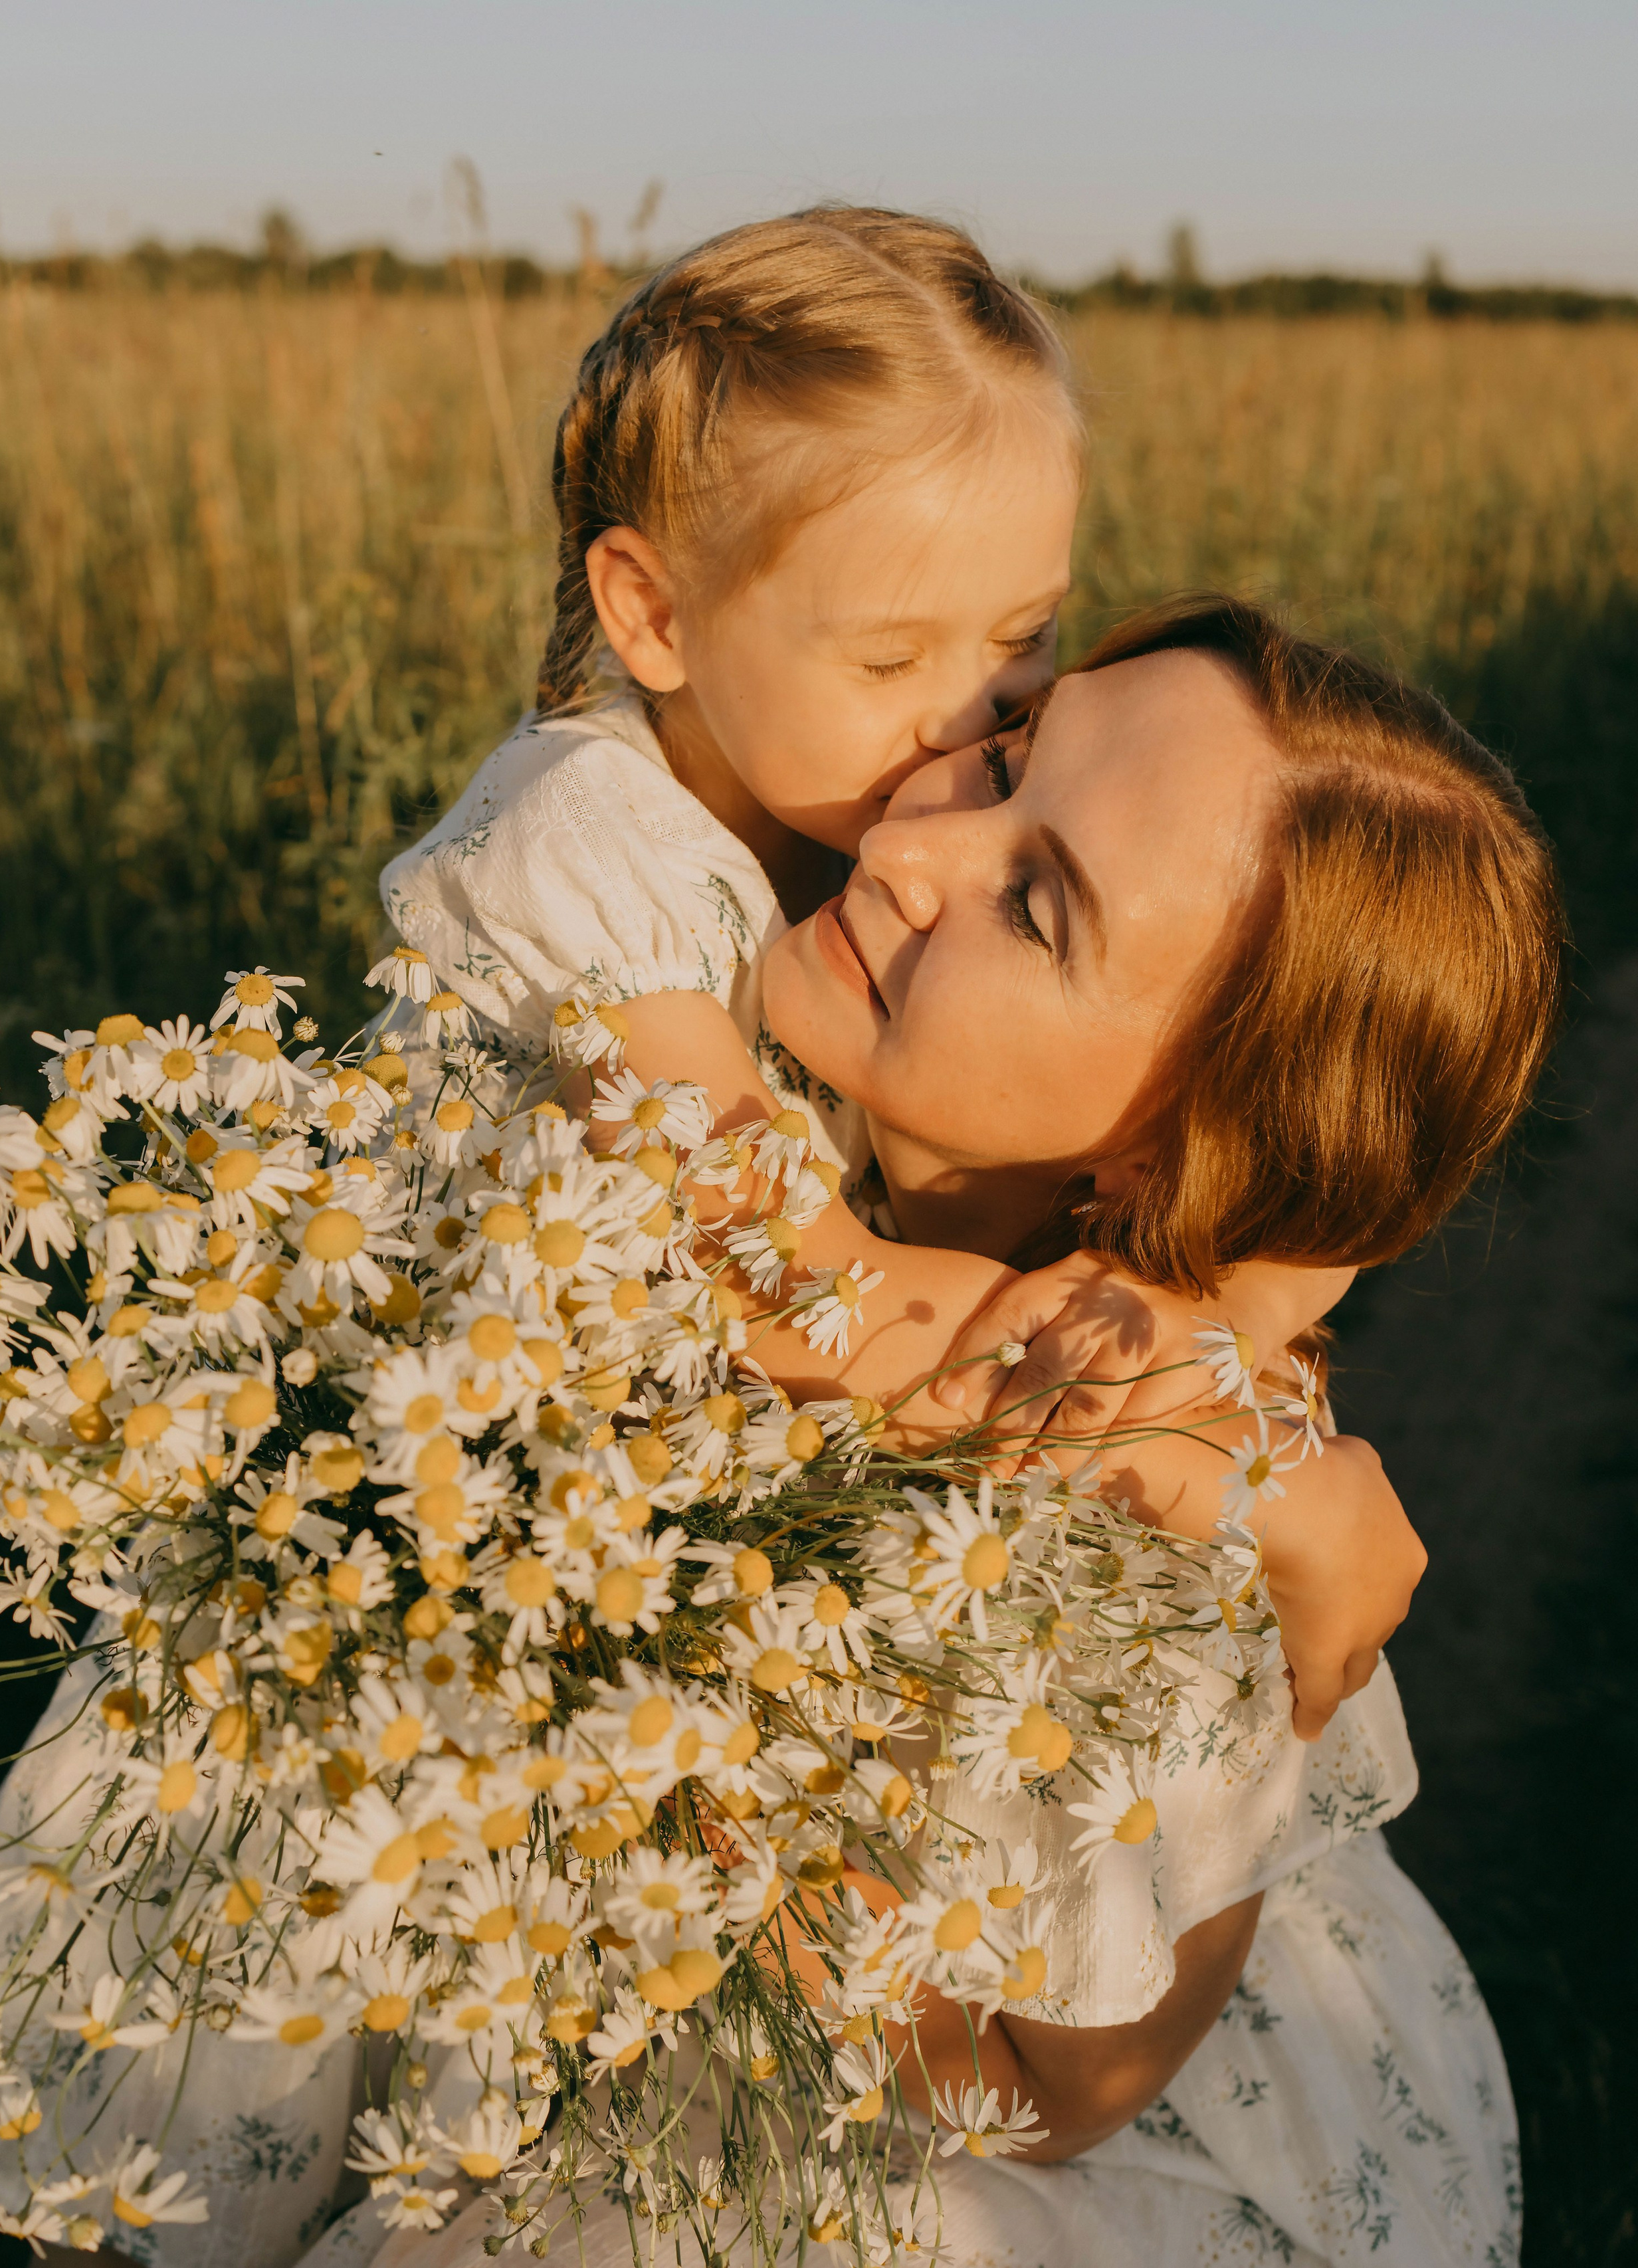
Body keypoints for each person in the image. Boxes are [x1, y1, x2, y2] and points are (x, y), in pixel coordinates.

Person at [334, 597, 1560, 2267]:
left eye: (1036, 904)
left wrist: (726, 1889)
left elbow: (1076, 2085)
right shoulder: (702, 1011)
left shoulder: (1153, 1511)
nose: (916, 849)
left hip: (936, 2107)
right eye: (1003, 756)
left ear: (1157, 1158)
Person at [375, 205, 1415, 1730]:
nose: (961, 727)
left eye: (1020, 643)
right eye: (886, 660)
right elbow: (786, 1294)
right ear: (652, 615)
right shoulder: (586, 854)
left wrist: (1219, 1324)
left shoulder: (866, 816)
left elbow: (1307, 1226)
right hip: (488, 1601)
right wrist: (1242, 1472)